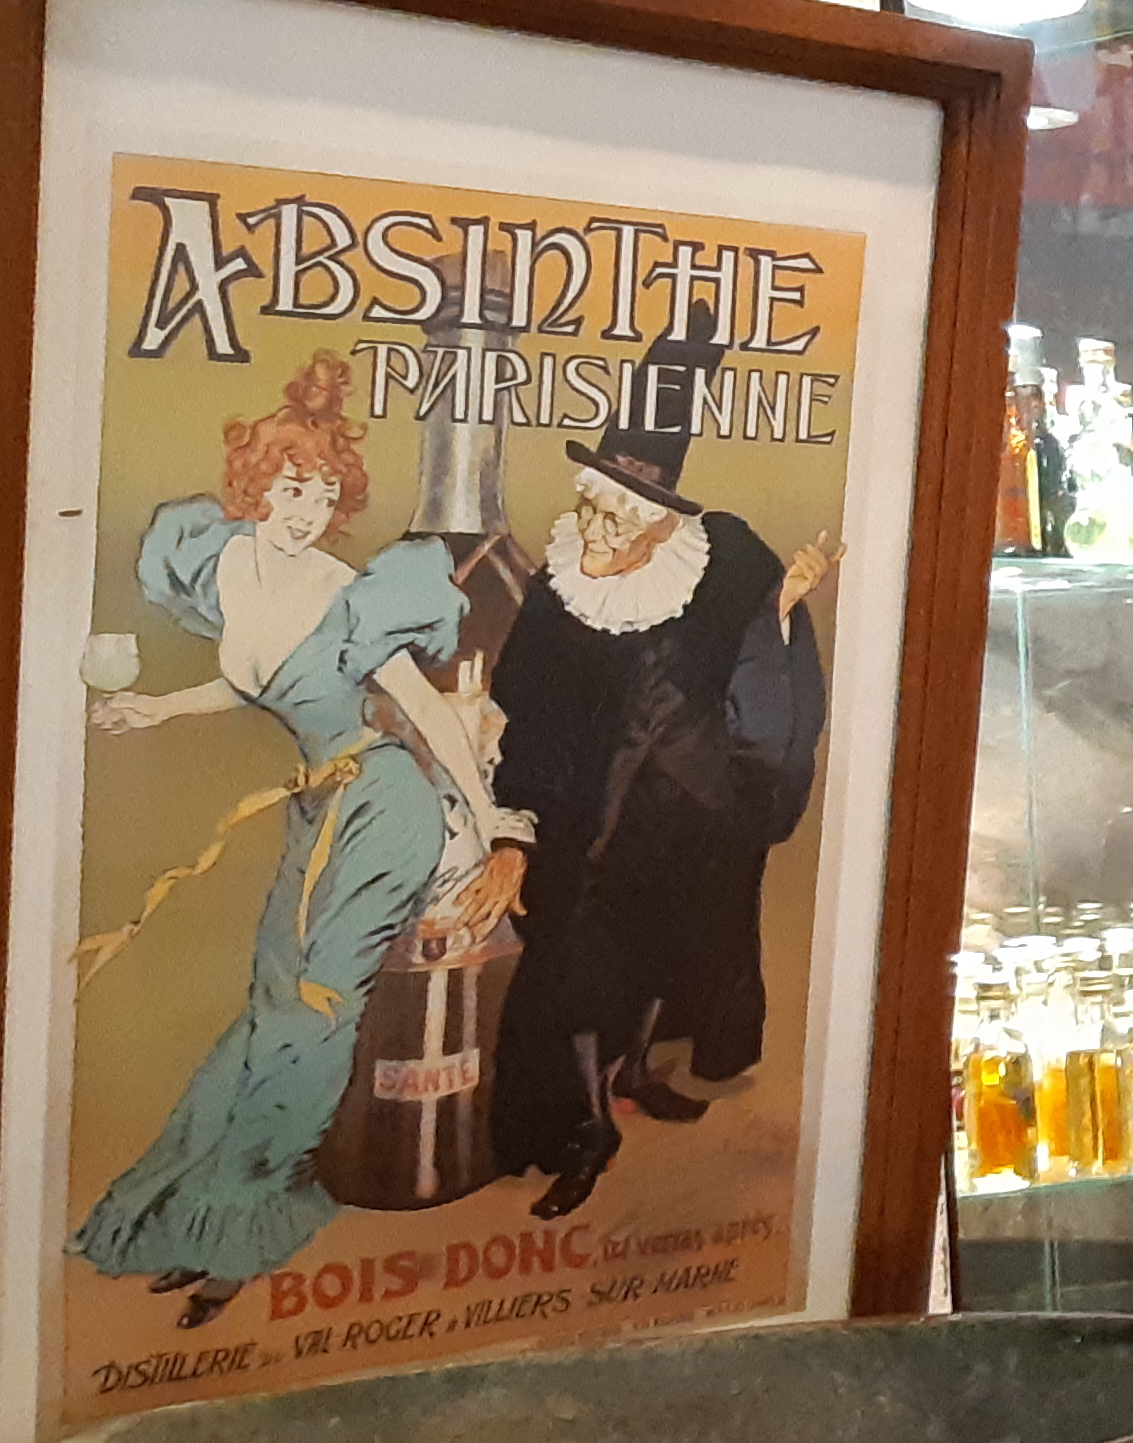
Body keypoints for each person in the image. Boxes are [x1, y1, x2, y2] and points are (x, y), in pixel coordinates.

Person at [73, 353, 522, 1327]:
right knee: (269, 1004)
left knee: (312, 1017)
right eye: (291, 488)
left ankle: (240, 1232)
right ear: (254, 487)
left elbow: (425, 714)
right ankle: (195, 1214)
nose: (308, 509)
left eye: (324, 493)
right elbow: (255, 681)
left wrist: (493, 825)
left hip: (384, 810)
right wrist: (156, 708)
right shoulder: (230, 566)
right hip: (318, 807)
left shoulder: (346, 592)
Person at [485, 314, 838, 1219]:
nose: (594, 523)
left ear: (658, 522)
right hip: (587, 822)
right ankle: (587, 1125)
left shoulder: (722, 558)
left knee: (665, 956)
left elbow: (764, 656)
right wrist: (515, 825)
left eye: (617, 512)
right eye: (592, 501)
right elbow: (522, 703)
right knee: (574, 975)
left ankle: (637, 1069)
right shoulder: (561, 584)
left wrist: (785, 608)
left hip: (690, 812)